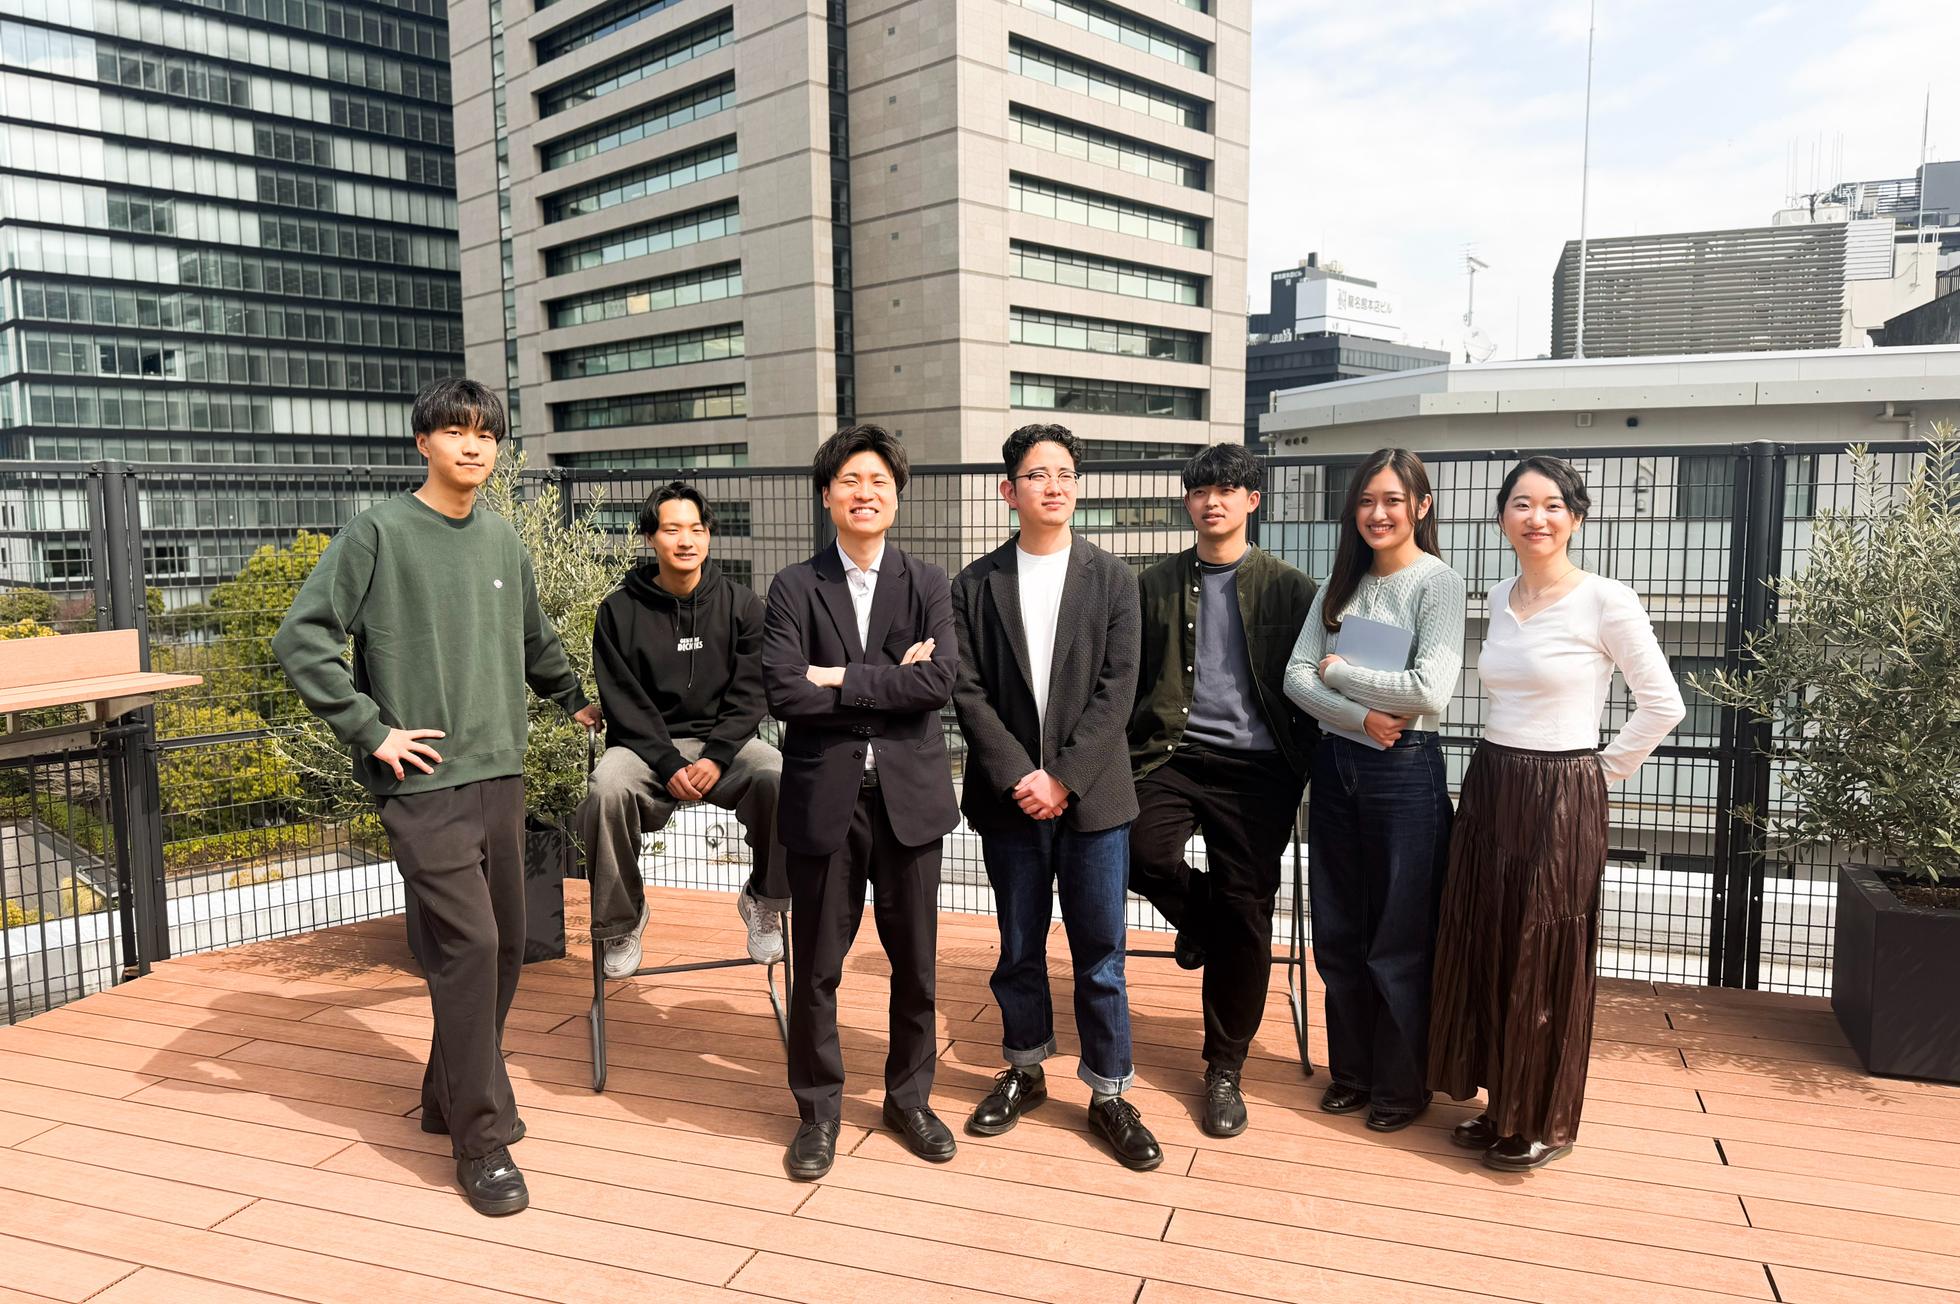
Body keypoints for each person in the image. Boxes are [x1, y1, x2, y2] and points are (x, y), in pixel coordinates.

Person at [272, 378, 601, 1217]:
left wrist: (577, 700)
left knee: (506, 948)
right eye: (455, 431)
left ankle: (443, 1094)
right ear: (423, 442)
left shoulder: (501, 537)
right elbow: (302, 638)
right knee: (470, 947)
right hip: (422, 784)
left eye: (485, 434)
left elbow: (533, 639)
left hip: (501, 776)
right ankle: (480, 1142)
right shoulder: (379, 532)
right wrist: (370, 729)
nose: (472, 445)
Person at [1428, 456, 1685, 1172]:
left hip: (1562, 790)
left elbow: (1664, 704)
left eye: (1551, 505)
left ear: (1575, 517)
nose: (1535, 518)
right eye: (1520, 504)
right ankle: (1500, 1104)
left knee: (1545, 951)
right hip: (1492, 779)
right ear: (1501, 517)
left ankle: (1543, 1119)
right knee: (1489, 936)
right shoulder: (1499, 595)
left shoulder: (1606, 600)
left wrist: (1599, 772)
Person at [951, 423, 1161, 1171]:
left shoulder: (1115, 579)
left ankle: (1109, 1092)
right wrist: (1022, 776)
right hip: (1010, 799)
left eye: (1065, 473)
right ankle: (1024, 1068)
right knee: (1019, 945)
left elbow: (1119, 689)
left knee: (1101, 952)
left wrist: (1063, 777)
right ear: (1008, 491)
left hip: (1095, 798)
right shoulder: (975, 584)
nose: (1054, 486)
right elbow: (967, 691)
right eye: (1037, 475)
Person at [762, 423, 961, 1180]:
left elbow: (939, 682)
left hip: (910, 798)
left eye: (878, 481)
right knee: (817, 966)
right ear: (827, 496)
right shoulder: (793, 586)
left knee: (916, 965)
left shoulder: (928, 583)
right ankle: (818, 1111)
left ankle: (909, 1100)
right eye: (850, 481)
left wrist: (839, 676)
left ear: (896, 496)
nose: (865, 493)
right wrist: (888, 679)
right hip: (825, 799)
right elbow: (784, 693)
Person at [1127, 442, 1319, 1138]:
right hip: (1170, 756)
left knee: (1248, 902)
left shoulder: (1290, 589)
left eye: (1227, 489)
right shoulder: (1152, 584)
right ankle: (1208, 925)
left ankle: (1225, 1067)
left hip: (1259, 768)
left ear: (1252, 501)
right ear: (1188, 501)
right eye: (1201, 490)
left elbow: (1313, 681)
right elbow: (1127, 679)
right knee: (1138, 852)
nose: (1212, 501)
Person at [1283, 448, 1465, 1133]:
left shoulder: (1437, 583)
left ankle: (1402, 1084)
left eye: (1392, 499)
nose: (1378, 513)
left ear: (1421, 505)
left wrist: (1338, 674)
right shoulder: (1340, 584)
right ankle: (1352, 1073)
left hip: (1405, 770)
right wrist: (1359, 716)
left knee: (1399, 934)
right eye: (1366, 500)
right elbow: (1294, 678)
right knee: (1339, 929)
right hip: (1338, 764)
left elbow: (1429, 690)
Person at [578, 481, 789, 976]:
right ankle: (623, 919)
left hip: (727, 746)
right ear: (650, 537)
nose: (686, 540)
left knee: (778, 774)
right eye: (672, 530)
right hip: (645, 748)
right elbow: (623, 701)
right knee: (605, 788)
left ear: (709, 534)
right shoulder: (618, 612)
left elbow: (751, 692)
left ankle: (764, 900)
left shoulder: (743, 605)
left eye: (696, 528)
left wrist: (717, 755)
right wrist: (668, 761)